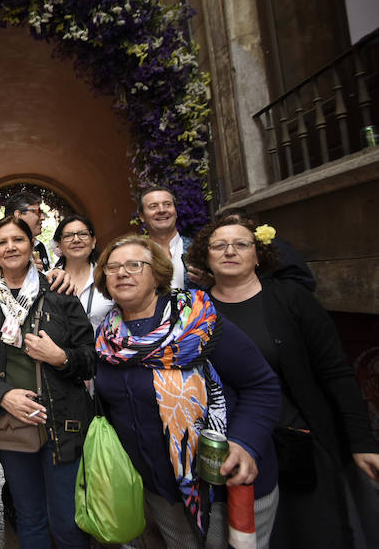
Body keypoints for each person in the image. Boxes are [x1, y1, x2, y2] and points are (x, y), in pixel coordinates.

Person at [186, 217, 379, 549]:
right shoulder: (192, 310)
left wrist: (361, 440)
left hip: (299, 446)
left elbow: (335, 371)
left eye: (242, 244)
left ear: (258, 255)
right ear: (205, 257)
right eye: (219, 245)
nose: (230, 251)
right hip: (233, 456)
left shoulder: (292, 298)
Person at [93, 234, 281, 549]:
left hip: (222, 482)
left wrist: (246, 443)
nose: (122, 273)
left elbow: (260, 385)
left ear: (157, 275)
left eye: (134, 265)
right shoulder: (107, 338)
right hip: (159, 490)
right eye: (112, 268)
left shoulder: (197, 322)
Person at [0, 216, 97, 549]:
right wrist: (3, 396)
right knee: (30, 517)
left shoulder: (59, 292)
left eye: (18, 240)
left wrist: (59, 357)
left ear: (31, 245)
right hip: (12, 424)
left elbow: (89, 357)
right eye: (2, 242)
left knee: (67, 519)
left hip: (62, 423)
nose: (10, 247)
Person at [52, 213, 113, 330]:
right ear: (59, 245)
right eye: (68, 236)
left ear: (93, 241)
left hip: (102, 347)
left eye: (83, 234)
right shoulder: (48, 280)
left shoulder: (109, 276)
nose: (76, 240)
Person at [136, 186, 192, 289]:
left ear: (176, 212)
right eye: (153, 206)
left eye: (167, 204)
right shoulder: (136, 254)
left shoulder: (197, 248)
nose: (162, 210)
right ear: (142, 217)